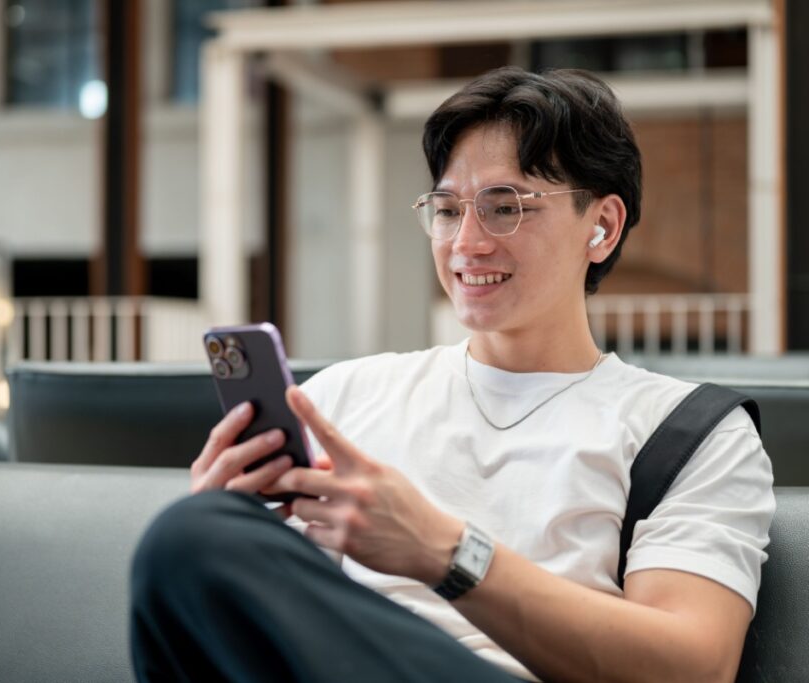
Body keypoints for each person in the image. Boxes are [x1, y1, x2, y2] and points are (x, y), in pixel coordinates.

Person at [129, 67, 775, 682]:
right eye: (446, 209)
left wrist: (447, 551)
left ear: (602, 227)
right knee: (188, 538)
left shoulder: (690, 432)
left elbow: (694, 666)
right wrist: (231, 531)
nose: (466, 241)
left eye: (505, 206)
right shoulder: (339, 398)